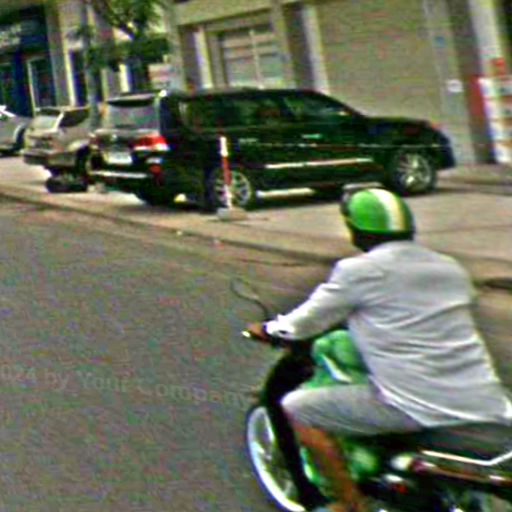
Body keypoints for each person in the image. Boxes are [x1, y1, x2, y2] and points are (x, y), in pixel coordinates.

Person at [247, 187, 512, 512]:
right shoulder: (449, 268)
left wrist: (268, 330)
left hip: (413, 405)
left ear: (357, 230)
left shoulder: (358, 271)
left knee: (298, 408)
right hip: (483, 397)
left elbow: (302, 323)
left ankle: (350, 503)